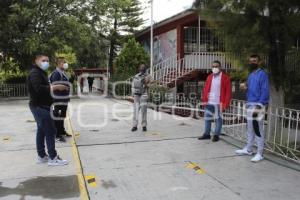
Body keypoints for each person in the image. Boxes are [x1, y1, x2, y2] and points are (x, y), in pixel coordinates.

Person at [27, 54, 69, 166]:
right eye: (43, 60)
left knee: (41, 131)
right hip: (40, 107)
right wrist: (55, 87)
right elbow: (39, 89)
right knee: (50, 131)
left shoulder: (40, 72)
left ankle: (41, 156)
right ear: (36, 60)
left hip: (42, 106)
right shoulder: (35, 73)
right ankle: (53, 157)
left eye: (47, 60)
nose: (46, 62)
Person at [235, 55, 269, 162]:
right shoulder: (250, 75)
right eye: (250, 61)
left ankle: (260, 153)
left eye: (254, 61)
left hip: (258, 105)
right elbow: (249, 89)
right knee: (250, 129)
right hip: (250, 104)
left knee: (258, 129)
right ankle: (248, 149)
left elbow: (265, 90)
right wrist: (245, 88)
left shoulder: (262, 74)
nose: (252, 63)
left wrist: (260, 105)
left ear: (259, 62)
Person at [198, 60, 232, 142]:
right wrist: (204, 100)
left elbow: (228, 93)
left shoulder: (225, 78)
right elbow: (206, 89)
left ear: (220, 67)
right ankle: (207, 134)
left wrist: (225, 104)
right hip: (209, 102)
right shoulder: (209, 77)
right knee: (207, 119)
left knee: (218, 120)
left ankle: (216, 135)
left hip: (219, 103)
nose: (214, 68)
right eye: (213, 66)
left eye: (216, 66)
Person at [49, 57, 71, 142]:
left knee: (62, 116)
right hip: (58, 99)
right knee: (57, 117)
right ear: (58, 64)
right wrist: (64, 87)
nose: (65, 64)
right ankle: (57, 135)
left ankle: (62, 131)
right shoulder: (56, 74)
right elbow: (55, 86)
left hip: (64, 98)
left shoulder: (63, 73)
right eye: (63, 62)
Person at [131, 64, 152, 132]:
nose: (142, 68)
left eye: (143, 67)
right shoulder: (136, 76)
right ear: (139, 68)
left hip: (144, 95)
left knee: (143, 111)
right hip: (136, 95)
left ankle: (144, 125)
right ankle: (135, 126)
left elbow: (152, 84)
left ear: (145, 68)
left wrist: (146, 84)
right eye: (141, 67)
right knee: (136, 111)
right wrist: (133, 93)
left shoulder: (148, 76)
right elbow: (133, 85)